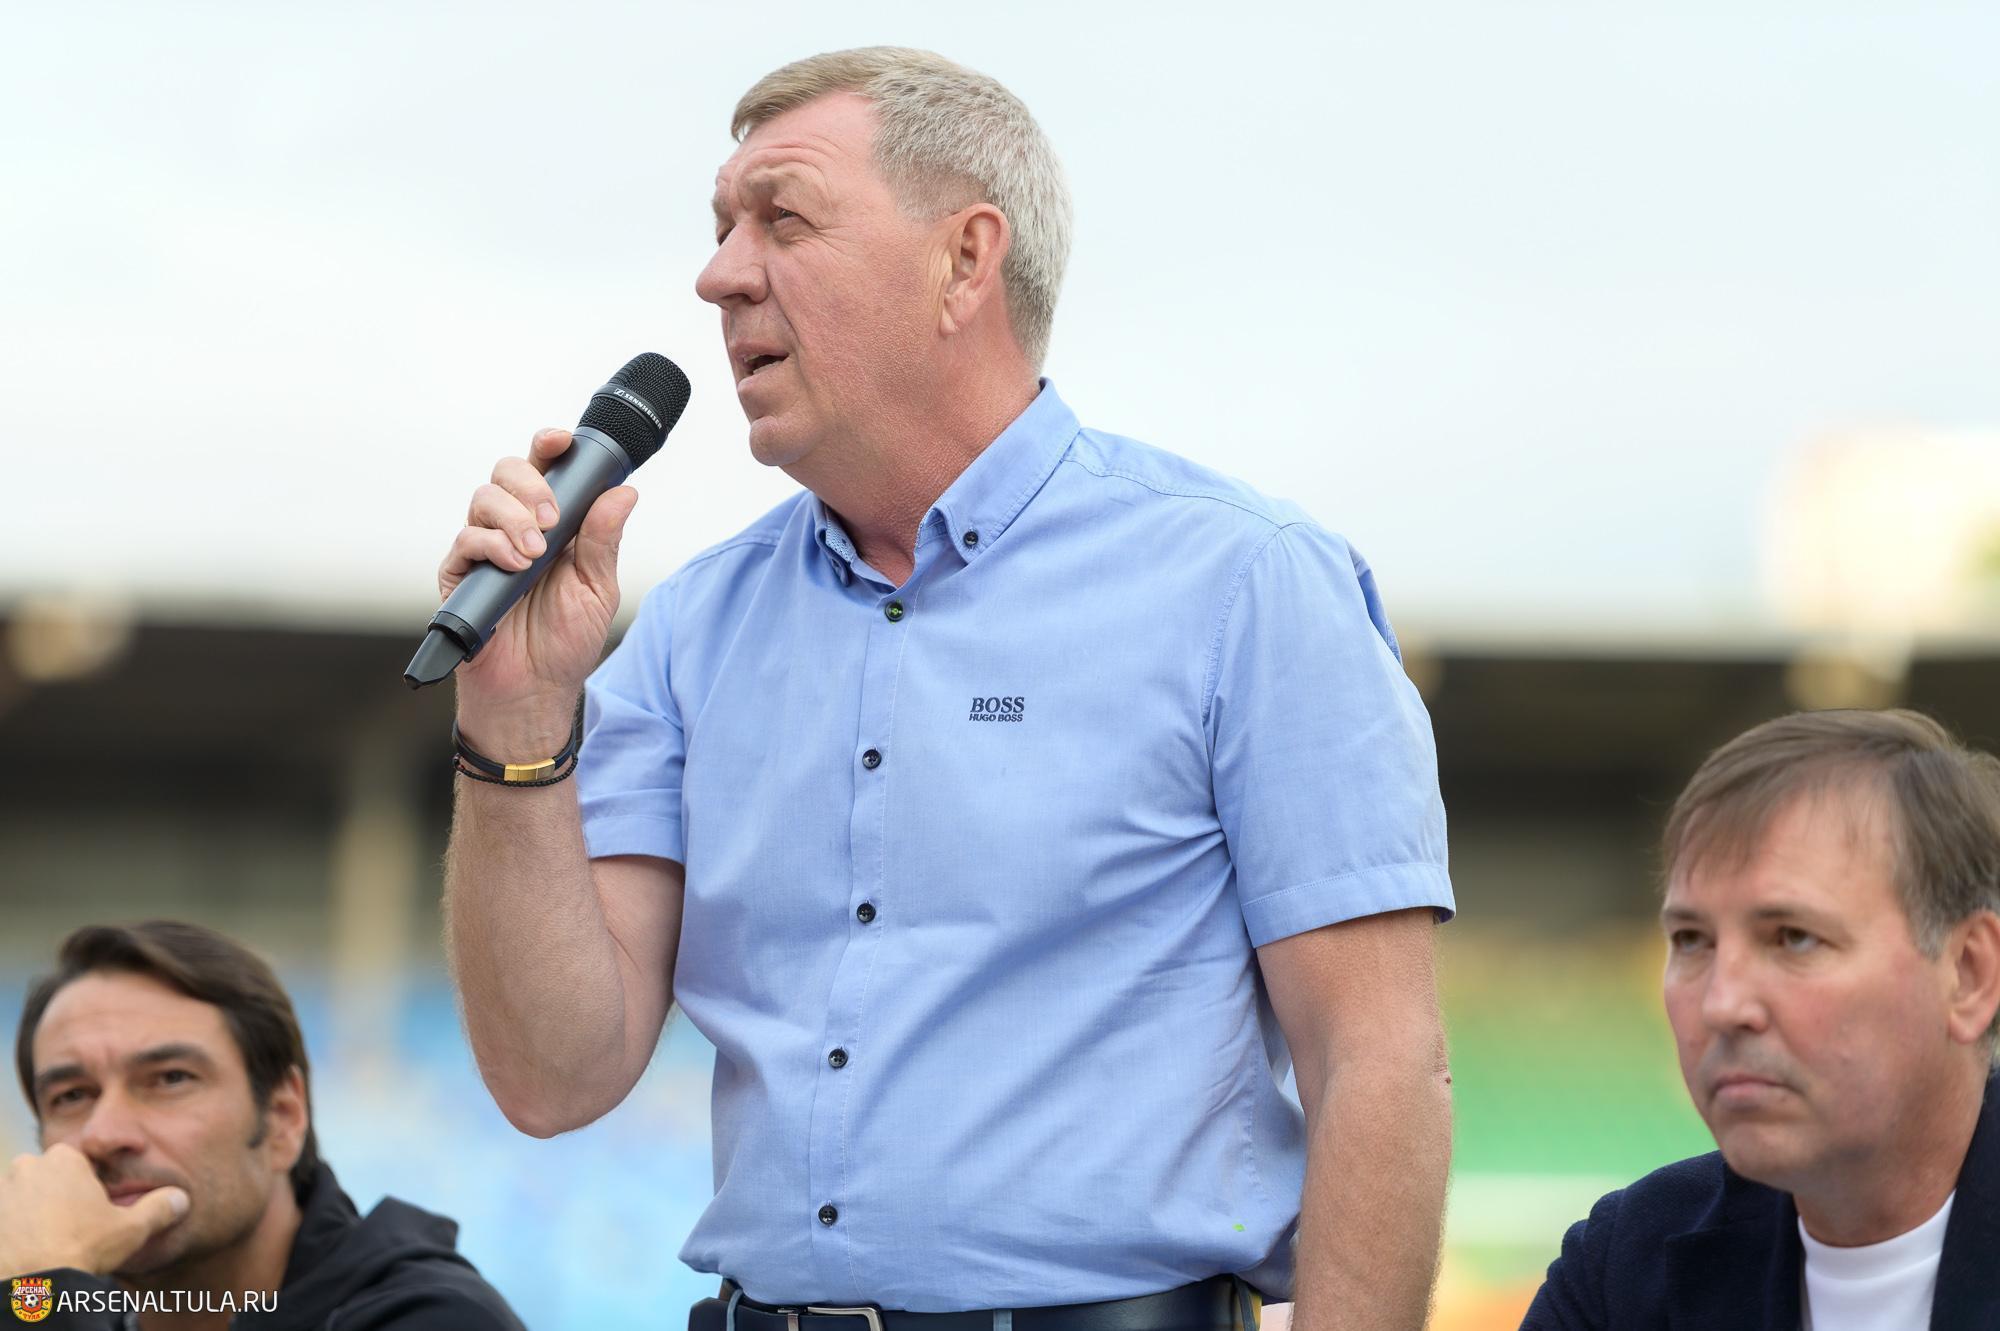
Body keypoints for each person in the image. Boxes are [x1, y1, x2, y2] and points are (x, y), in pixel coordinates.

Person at [440, 46, 1454, 1331]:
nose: (719, 275)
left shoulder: (1245, 586)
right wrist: (515, 712)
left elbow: (1378, 1061)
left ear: (964, 260)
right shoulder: (690, 627)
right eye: (718, 229)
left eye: (781, 219)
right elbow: (552, 1075)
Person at [1523, 709, 2000, 1330]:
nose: (1722, 1005)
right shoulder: (1622, 1270)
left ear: (1968, 974)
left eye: (1794, 937)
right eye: (1692, 939)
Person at [0, 921, 526, 1331]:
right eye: (71, 1096)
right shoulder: (60, 1304)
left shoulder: (434, 1317)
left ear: (282, 1119)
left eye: (170, 1079)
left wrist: (38, 1294)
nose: (104, 1133)